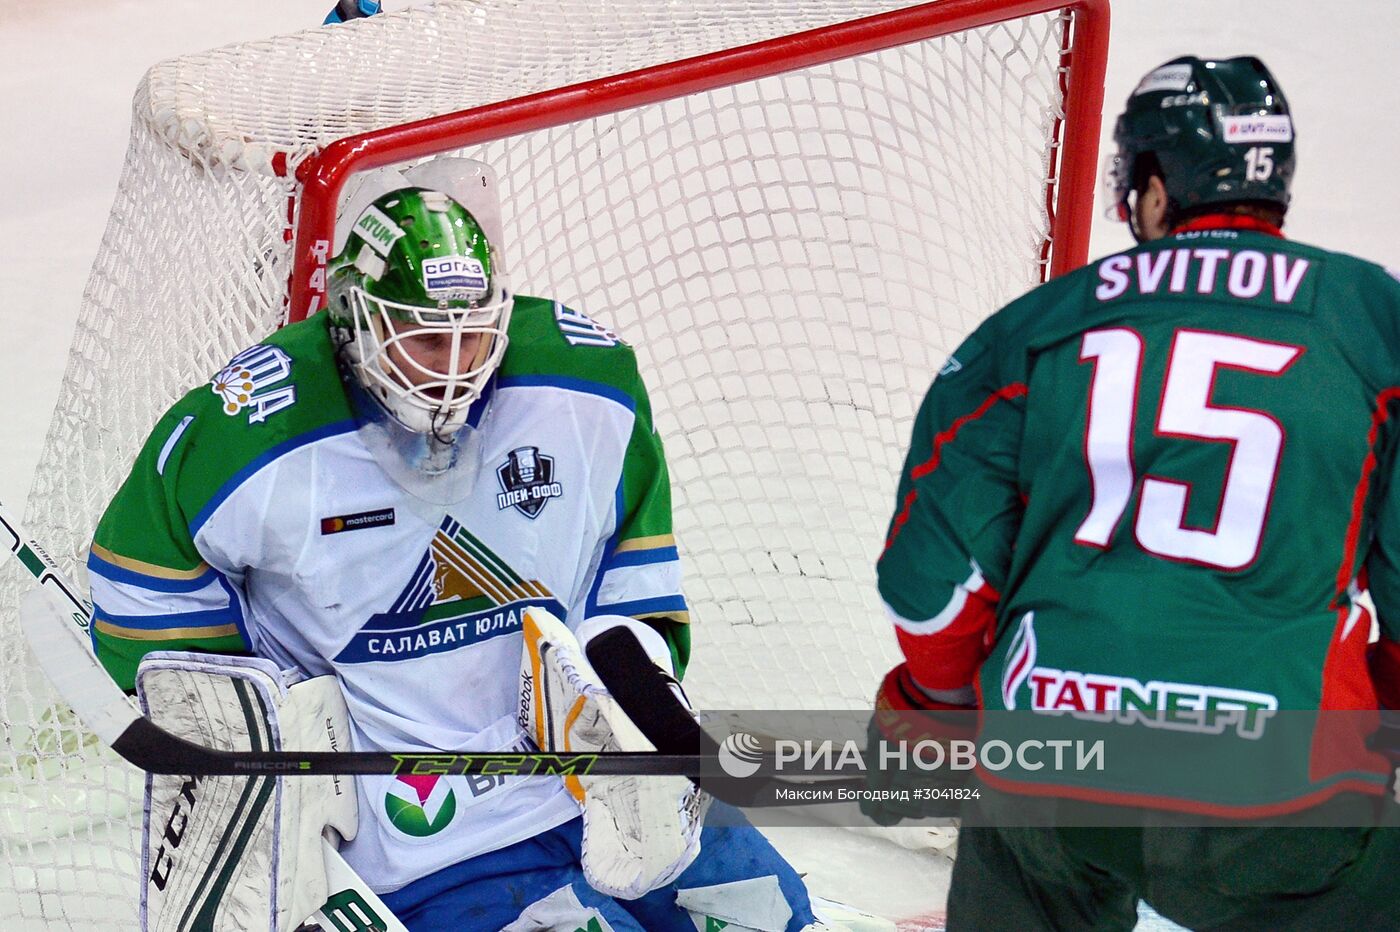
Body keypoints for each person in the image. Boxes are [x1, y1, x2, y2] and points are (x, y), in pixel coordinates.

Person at [86, 161, 823, 931]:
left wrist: (655, 719)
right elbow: (144, 583)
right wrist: (263, 735)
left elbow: (629, 586)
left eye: (471, 340)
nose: (452, 370)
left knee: (777, 917)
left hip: (602, 783)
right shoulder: (250, 433)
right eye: (422, 341)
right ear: (353, 320)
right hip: (424, 831)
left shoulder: (585, 386)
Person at [870, 55, 1400, 930]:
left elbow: (930, 580)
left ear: (1155, 191)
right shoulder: (1372, 321)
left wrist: (936, 706)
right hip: (1284, 782)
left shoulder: (1034, 328)